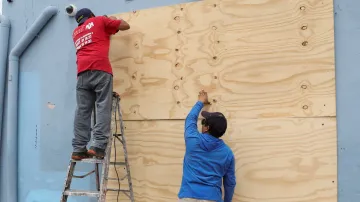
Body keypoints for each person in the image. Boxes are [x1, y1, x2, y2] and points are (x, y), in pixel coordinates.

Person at [70, 8, 130, 160]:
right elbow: (125, 25)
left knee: (82, 111)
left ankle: (78, 148)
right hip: (100, 69)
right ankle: (98, 146)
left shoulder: (76, 32)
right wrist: (111, 18)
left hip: (82, 72)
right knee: (103, 105)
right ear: (91, 16)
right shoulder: (99, 21)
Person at [178, 90, 236, 202]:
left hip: (188, 197)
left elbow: (190, 119)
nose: (202, 124)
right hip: (212, 198)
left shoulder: (193, 140)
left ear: (207, 128)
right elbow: (230, 182)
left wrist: (200, 102)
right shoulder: (227, 153)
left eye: (204, 122)